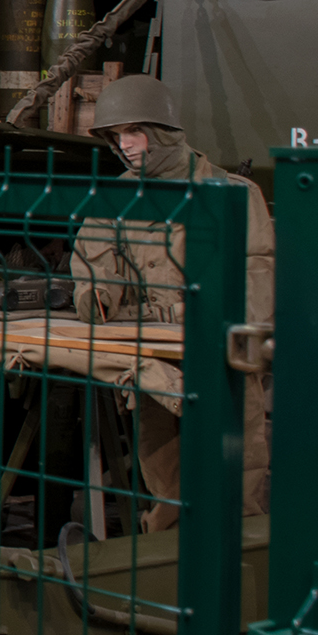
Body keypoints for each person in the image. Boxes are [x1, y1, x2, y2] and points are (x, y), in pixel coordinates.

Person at [72, 73, 274, 531]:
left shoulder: (233, 196)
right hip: (151, 357)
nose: (124, 146)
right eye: (115, 137)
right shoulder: (116, 198)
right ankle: (169, 569)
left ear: (163, 132)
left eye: (133, 133)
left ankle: (237, 571)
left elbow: (257, 275)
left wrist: (233, 341)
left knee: (235, 469)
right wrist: (95, 295)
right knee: (162, 468)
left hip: (221, 355)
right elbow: (94, 262)